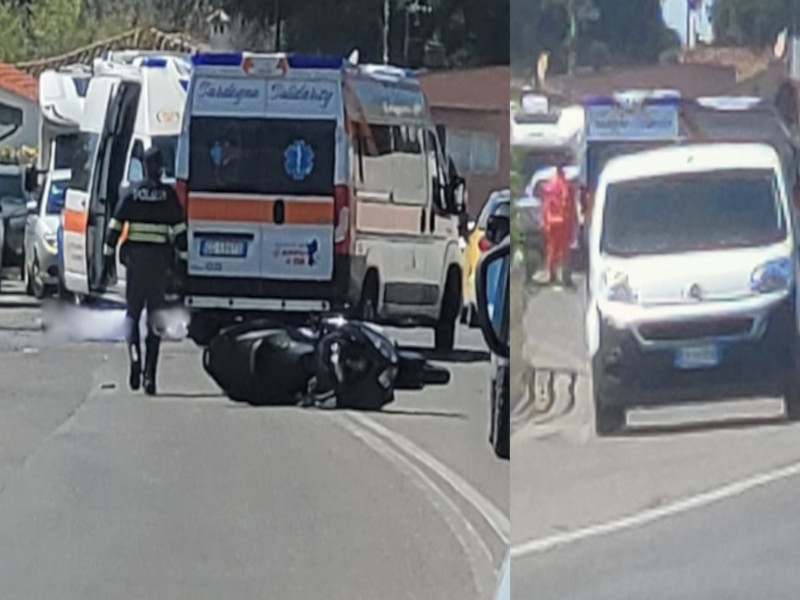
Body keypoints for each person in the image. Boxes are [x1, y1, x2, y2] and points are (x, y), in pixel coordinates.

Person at [102, 147, 187, 395]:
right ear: (160, 168)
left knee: (132, 314)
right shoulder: (169, 196)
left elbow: (113, 228)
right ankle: (150, 376)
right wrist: (182, 265)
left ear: (144, 167)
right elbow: (180, 235)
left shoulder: (131, 194)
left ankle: (134, 358)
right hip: (159, 266)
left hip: (136, 265)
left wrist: (107, 258)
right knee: (155, 320)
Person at [541, 165, 577, 287]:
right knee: (564, 250)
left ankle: (551, 275)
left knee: (552, 249)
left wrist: (545, 221)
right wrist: (573, 223)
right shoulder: (566, 188)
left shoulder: (549, 187)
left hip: (551, 222)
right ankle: (565, 277)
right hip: (564, 223)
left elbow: (545, 207)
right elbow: (570, 208)